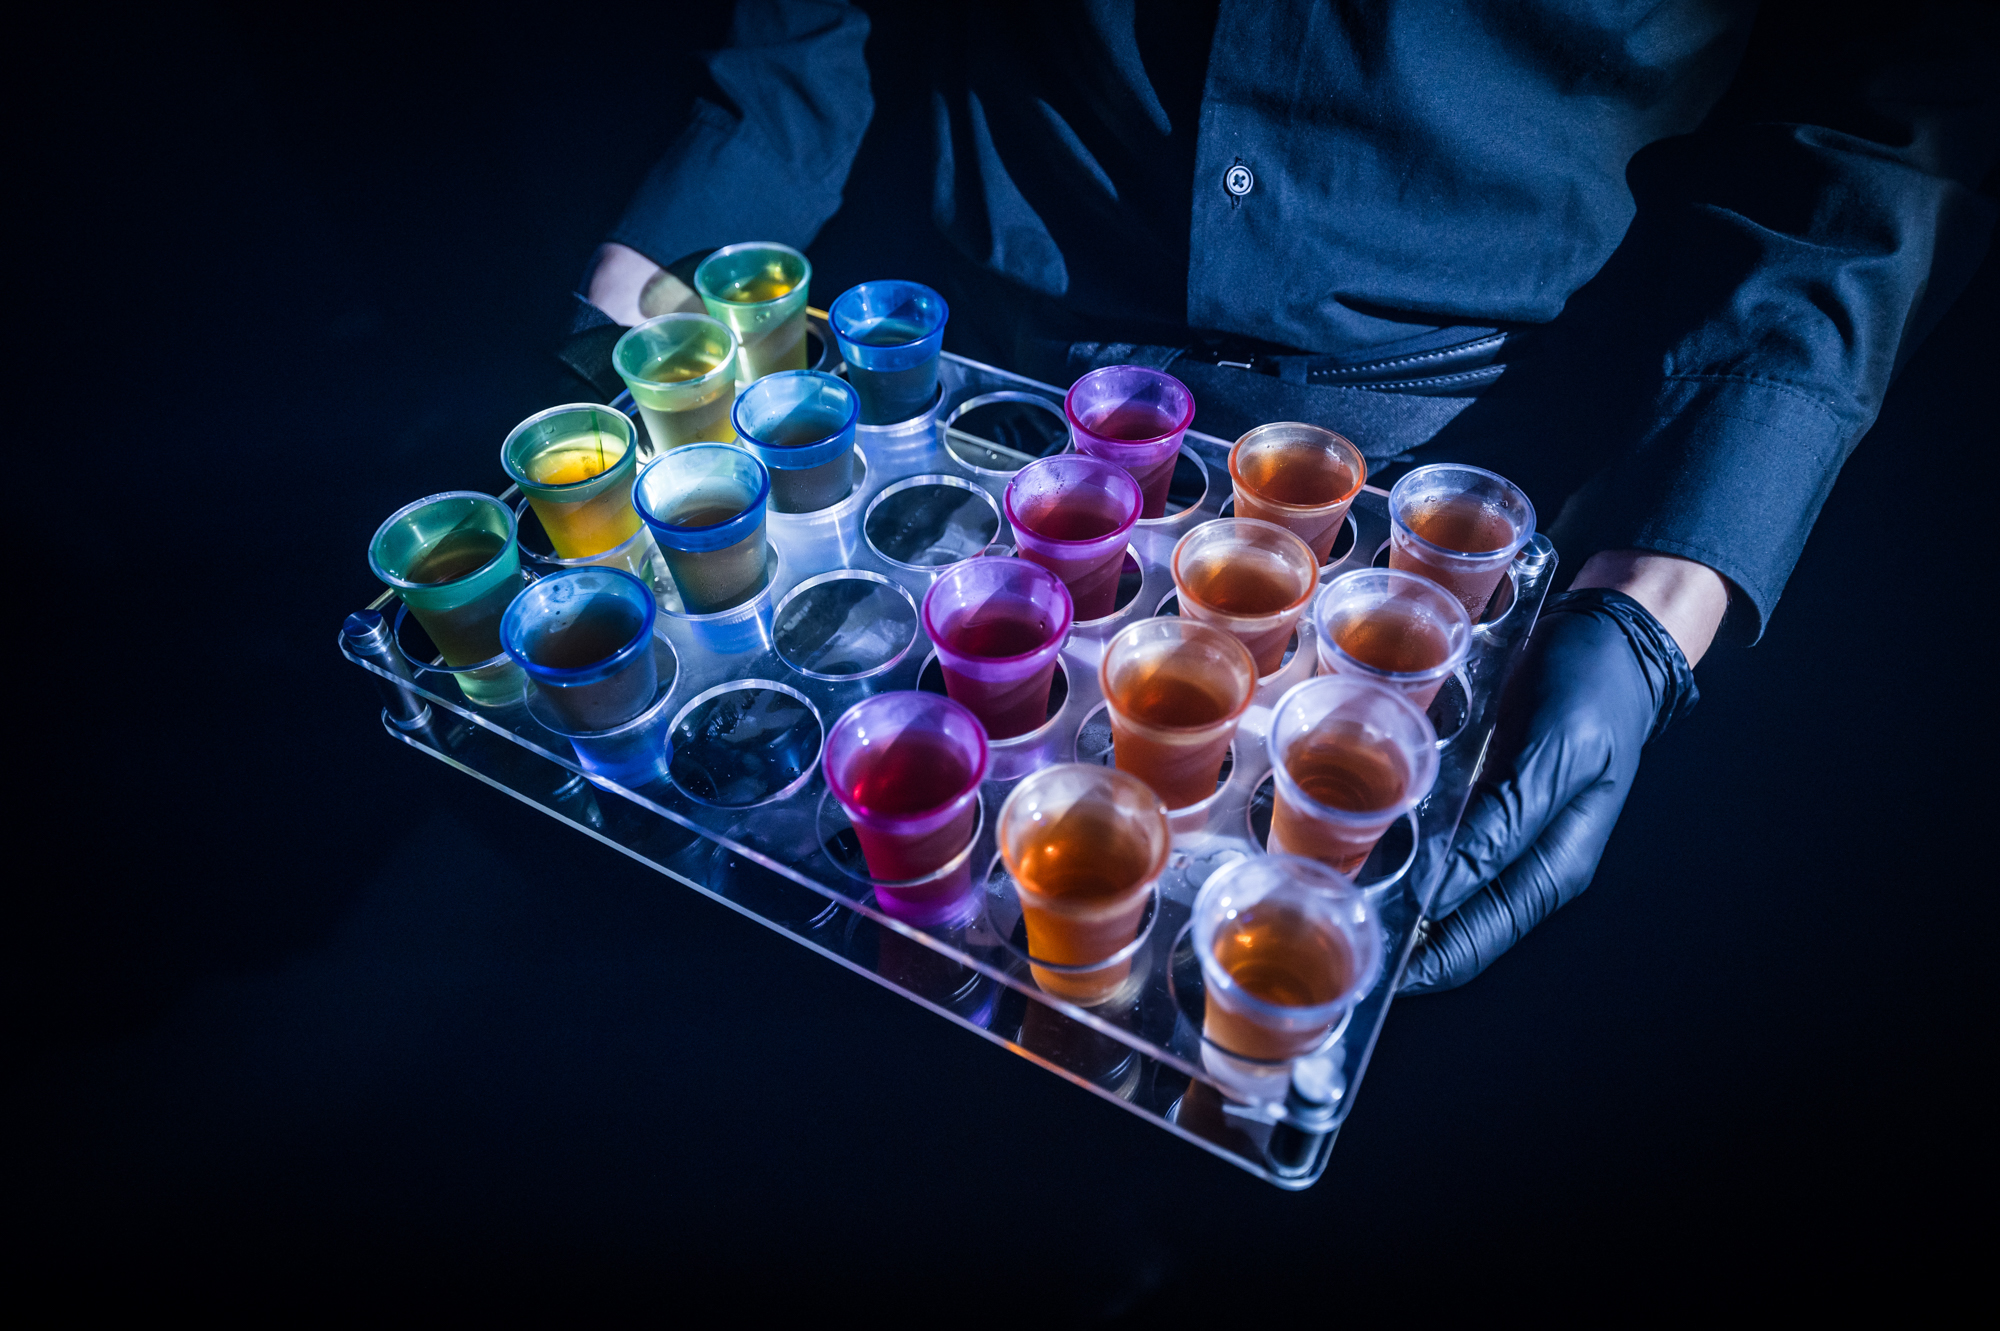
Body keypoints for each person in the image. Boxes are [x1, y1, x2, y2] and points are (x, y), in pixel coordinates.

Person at [559, 0, 1998, 990]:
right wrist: (656, 283)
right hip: (979, 393)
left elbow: (1890, 98)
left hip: (1467, 448)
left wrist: (1663, 587)